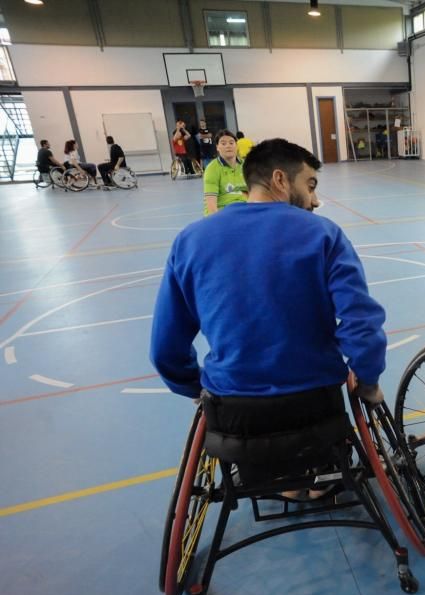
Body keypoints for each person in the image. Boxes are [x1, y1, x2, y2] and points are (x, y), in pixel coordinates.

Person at [149, 138, 385, 491]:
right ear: (279, 179)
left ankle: (273, 476)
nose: (316, 200)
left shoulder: (191, 240)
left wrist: (193, 386)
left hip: (233, 414)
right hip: (316, 406)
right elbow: (360, 322)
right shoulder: (323, 234)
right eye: (310, 185)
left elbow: (166, 347)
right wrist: (367, 379)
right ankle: (318, 476)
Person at [202, 130, 248, 215]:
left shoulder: (246, 165)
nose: (228, 146)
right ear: (217, 147)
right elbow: (211, 205)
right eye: (223, 143)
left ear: (236, 146)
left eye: (231, 143)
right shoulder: (212, 169)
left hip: (243, 212)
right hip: (222, 214)